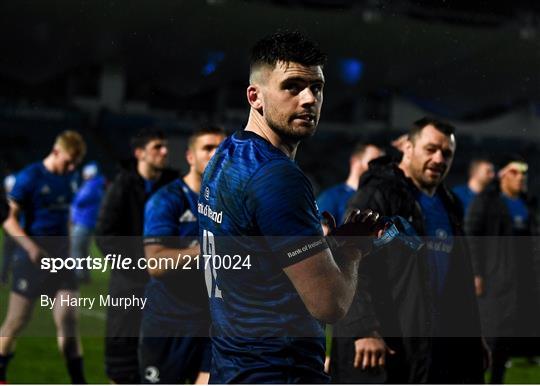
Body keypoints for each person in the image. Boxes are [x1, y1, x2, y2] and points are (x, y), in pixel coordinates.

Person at [198, 30, 383, 384]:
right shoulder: (278, 177)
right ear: (255, 96)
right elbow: (331, 305)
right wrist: (352, 250)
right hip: (278, 370)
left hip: (232, 366)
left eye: (317, 87)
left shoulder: (225, 155)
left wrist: (315, 241)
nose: (309, 99)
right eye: (293, 86)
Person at [331, 117, 486, 383]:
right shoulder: (376, 195)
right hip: (390, 343)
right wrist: (364, 329)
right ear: (408, 148)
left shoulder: (450, 204)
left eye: (447, 153)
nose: (439, 159)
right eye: (430, 149)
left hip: (436, 345)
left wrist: (474, 340)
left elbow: (459, 281)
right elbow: (345, 261)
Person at [140, 126, 225, 384]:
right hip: (169, 322)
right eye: (207, 148)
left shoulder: (229, 202)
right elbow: (155, 263)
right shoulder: (167, 200)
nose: (215, 154)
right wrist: (205, 250)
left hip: (213, 322)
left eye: (220, 149)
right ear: (190, 157)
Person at [0, 131, 87, 384]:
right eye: (68, 161)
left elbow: (66, 216)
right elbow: (8, 218)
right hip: (32, 260)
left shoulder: (71, 177)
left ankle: (79, 381)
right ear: (56, 151)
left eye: (75, 164)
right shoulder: (31, 176)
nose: (71, 167)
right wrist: (30, 247)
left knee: (69, 322)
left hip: (61, 261)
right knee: (16, 321)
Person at [95, 128, 178, 384]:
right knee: (123, 361)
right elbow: (105, 235)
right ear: (139, 153)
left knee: (163, 362)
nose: (164, 151)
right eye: (157, 147)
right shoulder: (122, 186)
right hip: (129, 283)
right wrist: (138, 264)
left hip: (166, 284)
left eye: (165, 146)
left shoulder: (173, 186)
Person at [465, 155, 540, 384]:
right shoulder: (487, 201)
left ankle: (498, 379)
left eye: (524, 173)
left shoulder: (529, 205)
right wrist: (476, 272)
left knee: (511, 335)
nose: (521, 178)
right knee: (492, 333)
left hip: (524, 280)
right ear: (503, 175)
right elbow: (472, 235)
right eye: (515, 172)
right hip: (495, 279)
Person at [317, 143, 383, 225]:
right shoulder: (331, 197)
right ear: (355, 161)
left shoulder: (379, 199)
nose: (379, 168)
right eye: (373, 161)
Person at [70, 161, 106, 283]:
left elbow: (79, 200)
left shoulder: (91, 186)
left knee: (76, 248)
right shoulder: (97, 185)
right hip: (89, 222)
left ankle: (79, 275)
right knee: (83, 250)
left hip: (83, 222)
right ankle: (85, 275)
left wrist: (75, 194)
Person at [1, 174, 17, 285]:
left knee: (8, 255)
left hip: (10, 231)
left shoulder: (6, 199)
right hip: (16, 230)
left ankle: (3, 278)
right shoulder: (15, 199)